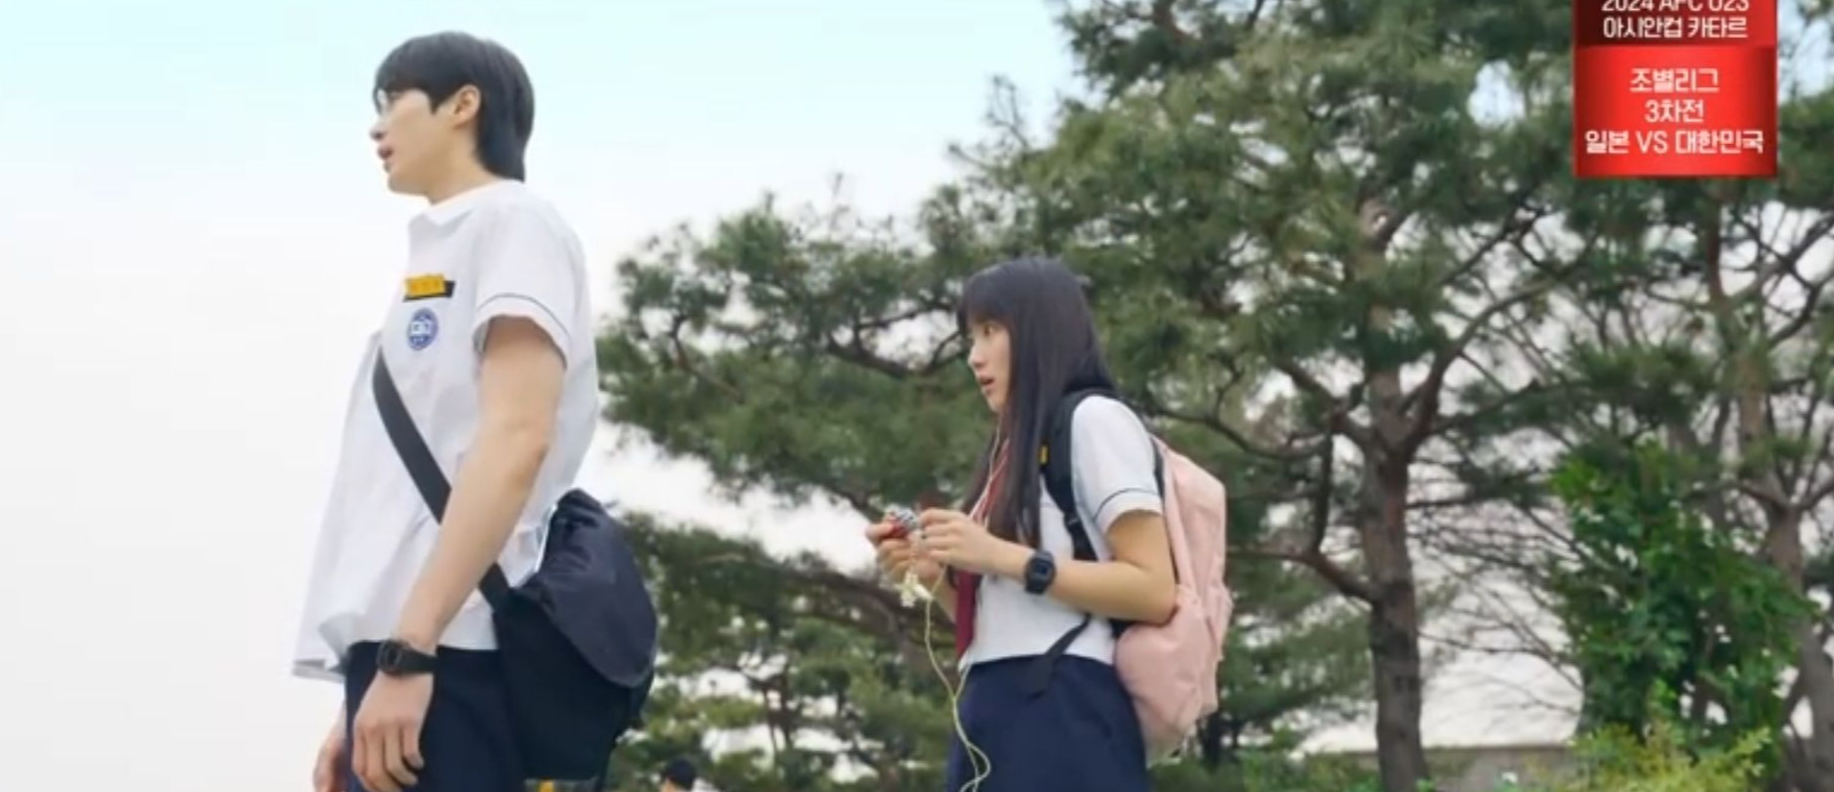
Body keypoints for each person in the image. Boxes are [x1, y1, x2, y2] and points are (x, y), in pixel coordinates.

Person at [294, 30, 598, 792]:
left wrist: (412, 650)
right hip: (411, 661)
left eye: (392, 99)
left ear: (464, 104)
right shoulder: (444, 248)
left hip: (453, 655)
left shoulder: (514, 225)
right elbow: (402, 498)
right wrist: (360, 692)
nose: (377, 126)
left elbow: (517, 437)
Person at [864, 258, 1176, 792]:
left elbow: (1154, 590)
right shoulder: (1008, 451)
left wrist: (1000, 556)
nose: (974, 355)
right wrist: (937, 579)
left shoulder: (1094, 419)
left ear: (1040, 331)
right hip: (992, 701)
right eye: (971, 337)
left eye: (991, 330)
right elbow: (1006, 617)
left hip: (1067, 702)